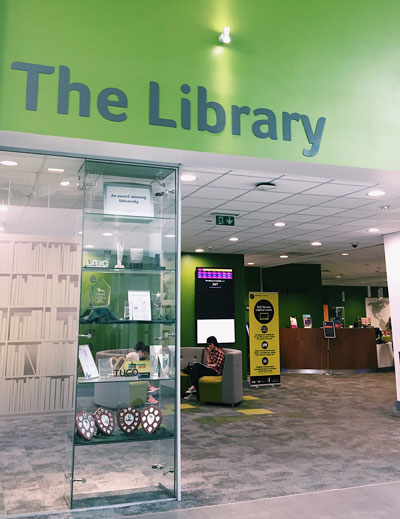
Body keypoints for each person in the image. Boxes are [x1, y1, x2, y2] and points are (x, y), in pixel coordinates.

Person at [184, 336, 225, 401]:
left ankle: (194, 391)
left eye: (210, 344)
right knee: (196, 366)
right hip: (210, 368)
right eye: (208, 344)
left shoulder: (220, 352)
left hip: (216, 371)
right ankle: (194, 391)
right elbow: (208, 362)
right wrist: (207, 354)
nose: (209, 346)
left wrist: (209, 365)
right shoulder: (211, 351)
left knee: (196, 373)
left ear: (214, 343)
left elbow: (218, 365)